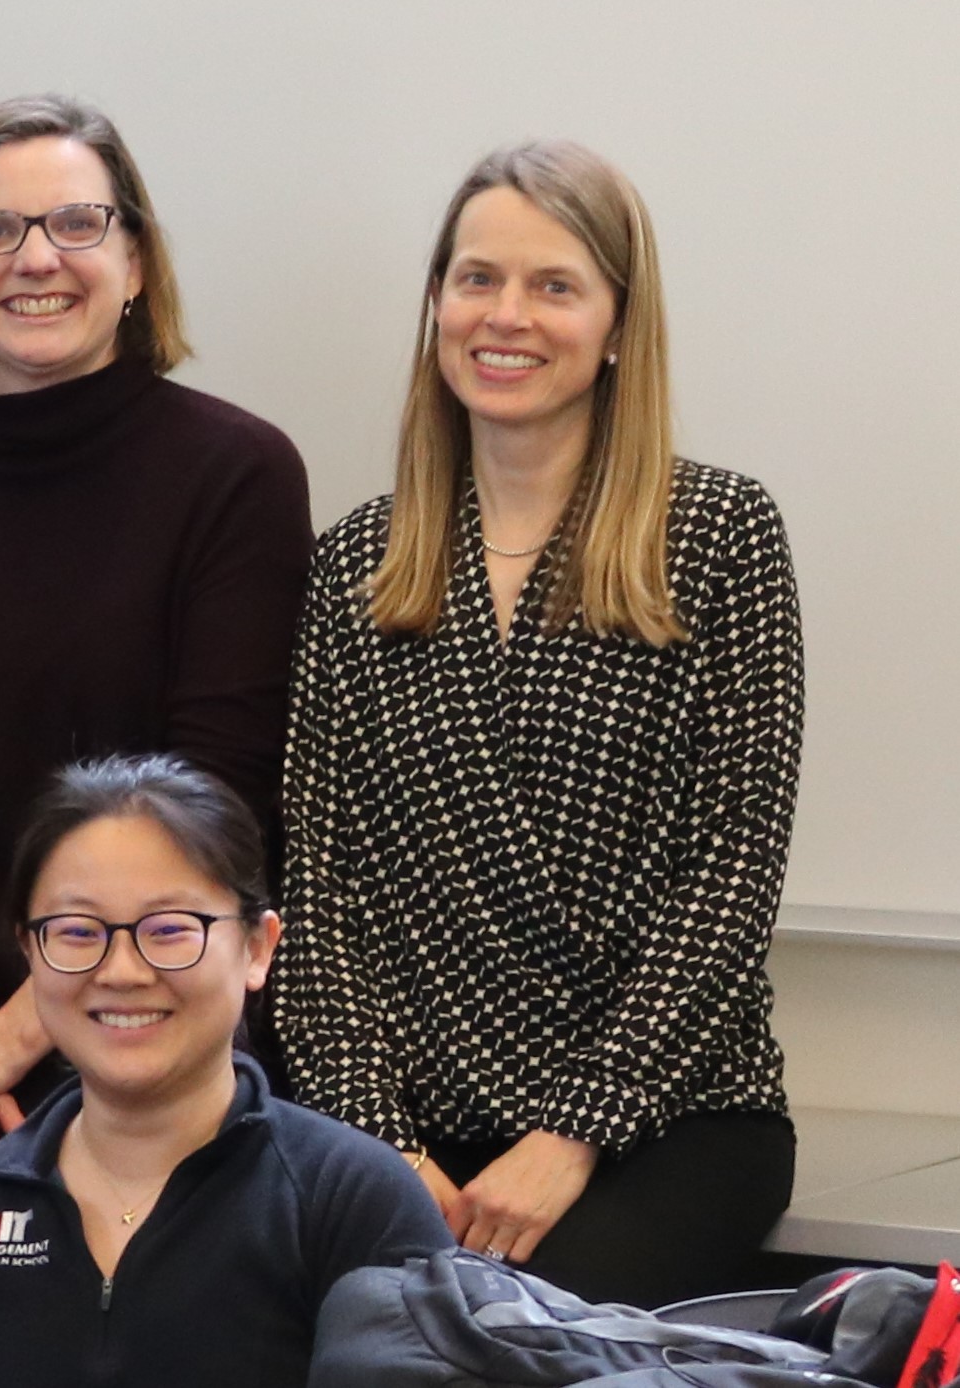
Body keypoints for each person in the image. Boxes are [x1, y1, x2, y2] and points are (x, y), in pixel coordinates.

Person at [275, 144, 806, 1303]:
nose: (503, 315)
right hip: (407, 1133)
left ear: (617, 323)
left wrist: (572, 1132)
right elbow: (315, 895)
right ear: (435, 304)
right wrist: (378, 1144)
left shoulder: (717, 537)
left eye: (552, 285)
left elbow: (728, 879)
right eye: (474, 279)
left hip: (659, 1120)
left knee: (501, 1344)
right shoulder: (356, 564)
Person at [0, 97, 305, 1201]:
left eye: (76, 224)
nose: (35, 257)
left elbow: (213, 795)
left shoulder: (236, 474)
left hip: (157, 1015)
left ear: (133, 262)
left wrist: (10, 1037)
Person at [0, 758, 448, 1388]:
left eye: (170, 929)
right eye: (77, 931)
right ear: (29, 949)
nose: (121, 970)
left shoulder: (352, 1197)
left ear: (258, 948)